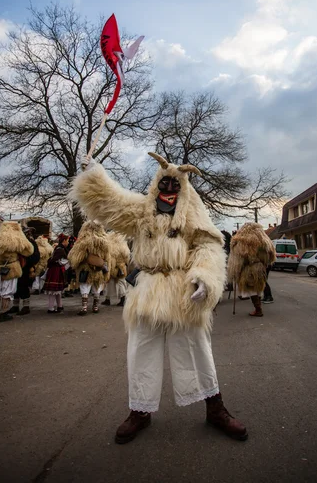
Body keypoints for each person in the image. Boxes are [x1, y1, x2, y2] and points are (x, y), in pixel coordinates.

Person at [72, 152, 248, 444]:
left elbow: (208, 245)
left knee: (197, 349)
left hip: (183, 291)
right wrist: (93, 173)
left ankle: (215, 408)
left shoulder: (194, 212)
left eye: (174, 184)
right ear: (157, 184)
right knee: (141, 349)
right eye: (163, 183)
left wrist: (204, 277)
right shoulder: (142, 210)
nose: (168, 189)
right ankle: (139, 411)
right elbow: (111, 203)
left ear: (183, 187)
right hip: (148, 289)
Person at [0, 221, 34, 322]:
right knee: (7, 292)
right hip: (11, 269)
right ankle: (3, 314)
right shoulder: (17, 240)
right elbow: (29, 251)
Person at [227, 223, 276, 317]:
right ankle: (258, 308)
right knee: (258, 287)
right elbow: (271, 254)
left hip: (249, 268)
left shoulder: (242, 241)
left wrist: (235, 271)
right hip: (261, 267)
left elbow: (238, 259)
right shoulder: (264, 240)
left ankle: (258, 310)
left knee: (251, 288)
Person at [68, 221, 111, 315]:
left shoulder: (84, 241)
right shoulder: (105, 243)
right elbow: (107, 258)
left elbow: (75, 256)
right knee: (97, 287)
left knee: (85, 287)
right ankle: (95, 307)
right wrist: (106, 270)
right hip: (98, 269)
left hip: (86, 268)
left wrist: (75, 264)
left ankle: (84, 308)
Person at [10, 227, 40, 315]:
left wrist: (27, 262)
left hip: (25, 268)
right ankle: (15, 306)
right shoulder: (18, 243)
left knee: (23, 286)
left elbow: (35, 257)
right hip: (17, 267)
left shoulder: (31, 243)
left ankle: (26, 306)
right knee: (16, 286)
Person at [43, 233, 69, 314]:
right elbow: (59, 261)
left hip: (56, 270)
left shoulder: (59, 248)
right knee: (53, 290)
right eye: (67, 240)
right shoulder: (60, 249)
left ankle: (59, 306)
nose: (68, 242)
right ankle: (50, 308)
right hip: (56, 270)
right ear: (64, 240)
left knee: (57, 290)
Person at [102, 232, 130, 307]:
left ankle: (107, 299)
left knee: (109, 282)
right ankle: (123, 299)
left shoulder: (109, 243)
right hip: (120, 266)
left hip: (111, 265)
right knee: (121, 282)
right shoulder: (122, 244)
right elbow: (126, 255)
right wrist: (125, 263)